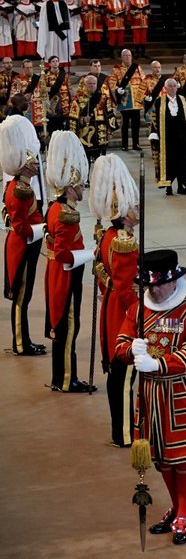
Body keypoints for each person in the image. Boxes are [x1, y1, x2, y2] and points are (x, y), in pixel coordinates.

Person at [114, 249, 186, 546]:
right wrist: (132, 351)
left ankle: (184, 512)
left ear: (173, 281)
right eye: (149, 285)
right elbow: (120, 342)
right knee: (161, 459)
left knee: (184, 458)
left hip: (181, 395)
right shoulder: (137, 311)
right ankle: (177, 507)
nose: (154, 290)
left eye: (159, 284)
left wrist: (159, 363)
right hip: (149, 397)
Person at [88, 155, 140, 447]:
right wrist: (141, 313)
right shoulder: (124, 240)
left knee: (118, 374)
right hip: (123, 313)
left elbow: (101, 271)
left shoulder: (110, 235)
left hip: (111, 308)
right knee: (123, 375)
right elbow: (125, 289)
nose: (137, 209)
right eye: (133, 206)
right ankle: (123, 433)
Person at [42, 130, 94, 392]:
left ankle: (60, 377)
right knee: (68, 327)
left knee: (63, 328)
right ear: (71, 186)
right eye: (81, 183)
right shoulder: (67, 215)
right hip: (65, 273)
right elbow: (63, 253)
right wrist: (91, 254)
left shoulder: (55, 208)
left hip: (56, 272)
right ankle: (65, 380)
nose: (84, 187)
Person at [2, 115, 46, 357]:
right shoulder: (20, 190)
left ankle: (24, 339)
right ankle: (20, 342)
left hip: (27, 244)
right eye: (34, 163)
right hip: (21, 246)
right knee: (21, 297)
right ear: (26, 165)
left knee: (25, 296)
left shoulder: (23, 186)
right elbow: (20, 226)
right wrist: (44, 229)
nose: (37, 166)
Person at [148, 78, 186, 195]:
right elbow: (154, 118)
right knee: (168, 161)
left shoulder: (183, 100)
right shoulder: (159, 101)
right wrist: (154, 134)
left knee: (182, 161)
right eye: (170, 86)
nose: (172, 88)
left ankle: (181, 185)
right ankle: (168, 187)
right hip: (166, 138)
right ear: (165, 88)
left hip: (181, 137)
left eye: (174, 86)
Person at [69, 73, 115, 163]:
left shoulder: (103, 98)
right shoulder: (78, 100)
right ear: (85, 85)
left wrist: (110, 131)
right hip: (86, 137)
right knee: (85, 162)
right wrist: (82, 120)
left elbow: (110, 115)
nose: (92, 86)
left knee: (101, 163)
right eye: (90, 84)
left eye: (94, 83)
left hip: (101, 135)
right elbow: (72, 118)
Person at [108, 48, 144, 150]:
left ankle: (136, 144)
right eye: (125, 56)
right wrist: (117, 89)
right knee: (125, 124)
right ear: (122, 57)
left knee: (136, 124)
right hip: (125, 101)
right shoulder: (116, 69)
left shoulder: (137, 68)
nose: (128, 57)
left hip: (136, 101)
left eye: (129, 55)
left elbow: (144, 81)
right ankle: (125, 144)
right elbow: (111, 83)